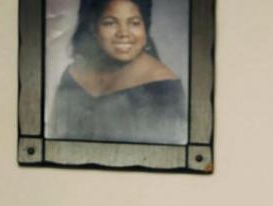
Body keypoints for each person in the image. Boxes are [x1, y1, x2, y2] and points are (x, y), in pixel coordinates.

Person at [49, 0, 187, 144]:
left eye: (134, 23)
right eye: (110, 23)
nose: (123, 33)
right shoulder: (73, 75)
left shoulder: (164, 90)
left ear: (145, 29)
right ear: (93, 28)